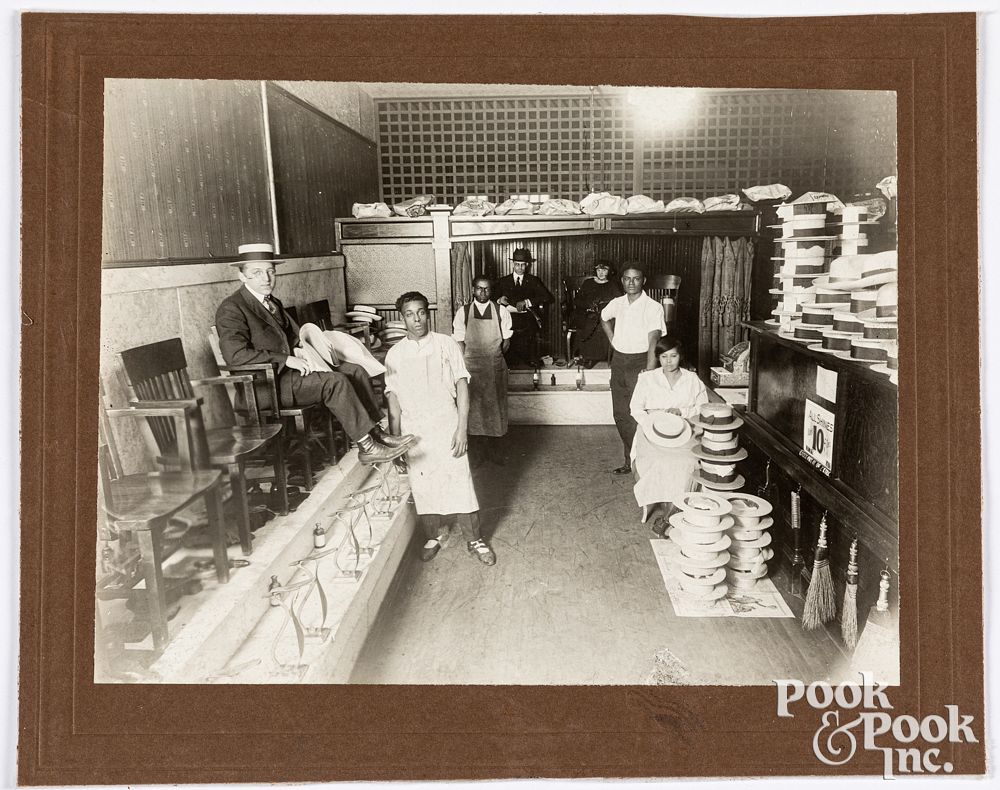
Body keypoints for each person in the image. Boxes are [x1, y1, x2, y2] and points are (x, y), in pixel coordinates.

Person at [215, 242, 413, 466]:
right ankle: (367, 447)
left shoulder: (271, 303)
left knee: (355, 370)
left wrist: (305, 345)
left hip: (292, 374)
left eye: (270, 271)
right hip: (265, 385)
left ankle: (376, 433)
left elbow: (289, 337)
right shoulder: (232, 308)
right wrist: (286, 359)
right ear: (242, 276)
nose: (266, 278)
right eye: (257, 273)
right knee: (335, 382)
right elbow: (236, 356)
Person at [385, 291, 497, 566]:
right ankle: (432, 535)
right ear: (402, 318)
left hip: (446, 424)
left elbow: (462, 387)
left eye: (421, 312)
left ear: (428, 313)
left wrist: (461, 429)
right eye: (410, 314)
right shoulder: (395, 354)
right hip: (415, 431)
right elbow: (393, 401)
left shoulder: (446, 344)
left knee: (460, 481)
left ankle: (475, 539)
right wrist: (395, 441)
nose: (417, 319)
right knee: (423, 483)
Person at [629, 336, 709, 534]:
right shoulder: (647, 378)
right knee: (658, 461)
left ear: (680, 356)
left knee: (689, 461)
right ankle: (671, 513)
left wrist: (683, 413)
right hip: (652, 432)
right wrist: (654, 420)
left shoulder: (692, 379)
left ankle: (672, 514)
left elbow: (703, 407)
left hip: (684, 430)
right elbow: (635, 408)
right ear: (658, 358)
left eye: (673, 356)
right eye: (664, 356)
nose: (669, 361)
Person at [600, 265, 667, 475]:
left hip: (641, 362)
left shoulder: (653, 306)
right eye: (627, 279)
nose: (631, 283)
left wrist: (649, 370)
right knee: (620, 414)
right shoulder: (617, 303)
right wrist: (613, 341)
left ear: (643, 280)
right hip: (619, 361)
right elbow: (603, 318)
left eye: (636, 279)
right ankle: (631, 460)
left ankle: (645, 461)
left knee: (640, 413)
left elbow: (654, 339)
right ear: (622, 280)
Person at [452, 275, 512, 465]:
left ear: (491, 291)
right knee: (474, 411)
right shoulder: (464, 312)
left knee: (495, 411)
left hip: (494, 368)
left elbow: (506, 342)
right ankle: (477, 456)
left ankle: (496, 454)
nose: (483, 292)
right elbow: (459, 341)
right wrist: (466, 363)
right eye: (479, 288)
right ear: (473, 290)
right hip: (471, 369)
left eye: (486, 289)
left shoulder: (500, 311)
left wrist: (493, 357)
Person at [493, 247, 554, 368]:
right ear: (513, 264)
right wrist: (500, 300)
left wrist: (527, 301)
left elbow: (548, 297)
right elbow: (493, 297)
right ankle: (509, 359)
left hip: (527, 315)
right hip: (508, 315)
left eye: (522, 265)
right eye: (517, 264)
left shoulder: (533, 280)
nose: (520, 268)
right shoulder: (503, 281)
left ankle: (530, 357)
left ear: (527, 265)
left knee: (529, 329)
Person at [569, 259, 623, 367]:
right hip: (588, 313)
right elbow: (577, 300)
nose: (601, 273)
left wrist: (605, 307)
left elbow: (620, 302)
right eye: (598, 270)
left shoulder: (612, 285)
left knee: (603, 324)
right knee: (588, 322)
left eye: (604, 270)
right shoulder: (588, 283)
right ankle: (587, 356)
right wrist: (588, 305)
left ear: (609, 271)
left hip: (606, 315)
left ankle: (598, 356)